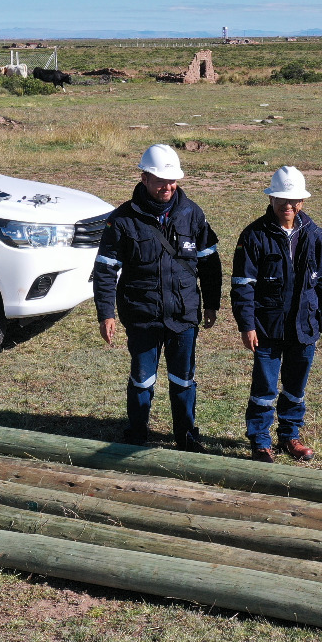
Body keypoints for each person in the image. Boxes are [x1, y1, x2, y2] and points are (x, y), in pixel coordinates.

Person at [92, 144, 222, 452]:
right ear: (144, 178)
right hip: (142, 316)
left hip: (183, 315)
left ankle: (186, 435)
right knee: (142, 379)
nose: (167, 187)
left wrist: (212, 303)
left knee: (183, 379)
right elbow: (106, 269)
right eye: (160, 180)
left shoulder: (193, 214)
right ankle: (137, 432)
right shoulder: (121, 220)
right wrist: (105, 313)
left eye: (172, 180)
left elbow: (210, 262)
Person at [231, 166, 322, 463]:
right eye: (281, 200)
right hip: (267, 327)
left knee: (295, 386)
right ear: (271, 198)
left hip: (305, 324)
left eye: (294, 201)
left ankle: (290, 435)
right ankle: (260, 440)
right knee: (264, 387)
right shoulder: (253, 236)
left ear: (302, 202)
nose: (287, 206)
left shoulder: (314, 234)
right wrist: (247, 325)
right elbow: (242, 285)